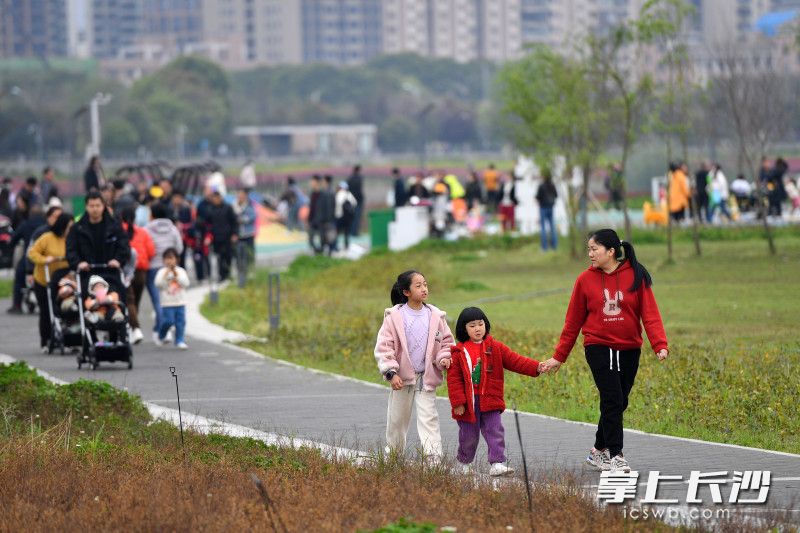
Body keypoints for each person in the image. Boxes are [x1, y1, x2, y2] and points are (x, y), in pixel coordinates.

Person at [540, 229, 669, 473]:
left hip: (630, 348)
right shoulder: (584, 280)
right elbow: (572, 323)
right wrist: (559, 356)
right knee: (612, 399)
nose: (589, 254)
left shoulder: (636, 275)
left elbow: (650, 314)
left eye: (594, 249)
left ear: (611, 251)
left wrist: (659, 344)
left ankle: (597, 451)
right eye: (588, 249)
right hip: (598, 346)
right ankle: (615, 455)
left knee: (620, 402)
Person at [447, 306, 541, 476]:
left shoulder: (495, 347)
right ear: (464, 329)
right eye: (472, 325)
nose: (477, 328)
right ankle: (464, 464)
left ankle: (497, 463)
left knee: (495, 430)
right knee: (469, 436)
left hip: (490, 399)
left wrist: (537, 367)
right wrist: (458, 403)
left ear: (486, 325)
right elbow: (453, 380)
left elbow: (516, 360)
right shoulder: (459, 352)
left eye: (480, 324)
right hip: (468, 403)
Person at [373, 270, 454, 459]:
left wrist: (444, 357)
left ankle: (434, 459)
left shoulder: (435, 315)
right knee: (397, 421)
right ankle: (393, 456)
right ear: (406, 292)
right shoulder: (394, 316)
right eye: (418, 286)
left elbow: (447, 342)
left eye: (425, 284)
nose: (424, 289)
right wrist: (391, 373)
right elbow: (385, 346)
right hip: (401, 379)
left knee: (429, 419)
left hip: (426, 377)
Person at [27, 212, 73, 352]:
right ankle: (45, 340)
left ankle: (70, 337)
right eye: (69, 227)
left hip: (65, 279)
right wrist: (45, 260)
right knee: (46, 310)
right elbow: (32, 252)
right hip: (44, 279)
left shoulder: (72, 239)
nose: (70, 230)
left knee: (67, 307)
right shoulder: (47, 238)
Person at [66, 190, 130, 274]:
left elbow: (124, 245)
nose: (95, 209)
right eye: (91, 206)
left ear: (103, 206)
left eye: (98, 205)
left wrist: (118, 260)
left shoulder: (115, 226)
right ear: (86, 206)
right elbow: (71, 250)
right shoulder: (77, 228)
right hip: (86, 273)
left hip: (111, 272)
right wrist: (78, 263)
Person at [145, 202, 183, 342]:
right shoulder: (173, 229)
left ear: (153, 214)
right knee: (170, 299)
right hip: (171, 270)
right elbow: (179, 247)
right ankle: (161, 329)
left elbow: (145, 249)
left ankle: (163, 329)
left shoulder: (147, 229)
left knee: (158, 301)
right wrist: (171, 260)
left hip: (153, 268)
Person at [120, 207, 155, 344]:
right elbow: (151, 251)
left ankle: (133, 328)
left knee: (128, 302)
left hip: (124, 272)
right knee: (135, 302)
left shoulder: (118, 232)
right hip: (140, 272)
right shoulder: (143, 232)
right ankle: (133, 328)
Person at [6, 204, 45, 314]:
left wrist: (10, 246)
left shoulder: (25, 224)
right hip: (45, 259)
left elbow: (13, 239)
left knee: (19, 277)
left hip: (29, 258)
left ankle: (17, 305)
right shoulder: (46, 224)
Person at [154, 248, 190, 350]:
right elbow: (158, 284)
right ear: (163, 260)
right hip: (167, 302)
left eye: (171, 258)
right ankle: (161, 334)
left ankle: (179, 340)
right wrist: (166, 275)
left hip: (180, 302)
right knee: (168, 321)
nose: (169, 261)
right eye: (166, 258)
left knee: (181, 322)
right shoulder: (161, 272)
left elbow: (186, 283)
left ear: (176, 259)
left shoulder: (181, 271)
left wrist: (176, 275)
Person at [206, 189, 238, 281]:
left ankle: (228, 274)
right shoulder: (210, 209)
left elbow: (234, 222)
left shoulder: (228, 208)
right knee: (219, 257)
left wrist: (234, 234)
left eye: (217, 198)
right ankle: (221, 275)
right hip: (216, 238)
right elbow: (208, 224)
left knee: (228, 256)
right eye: (214, 198)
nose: (216, 200)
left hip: (227, 237)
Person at [234, 188, 256, 271]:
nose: (240, 196)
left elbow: (252, 216)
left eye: (242, 195)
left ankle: (251, 271)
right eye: (239, 195)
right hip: (238, 234)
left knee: (249, 253)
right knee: (238, 255)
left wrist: (242, 219)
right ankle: (240, 272)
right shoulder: (234, 205)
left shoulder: (249, 205)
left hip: (248, 234)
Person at [535, 170, 558, 251]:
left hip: (543, 207)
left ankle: (544, 247)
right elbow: (556, 195)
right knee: (552, 227)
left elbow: (537, 197)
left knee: (543, 228)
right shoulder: (552, 185)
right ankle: (554, 246)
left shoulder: (541, 186)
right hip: (551, 207)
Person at [334, 181, 357, 252]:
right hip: (347, 217)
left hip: (339, 216)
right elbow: (355, 203)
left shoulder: (338, 194)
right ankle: (346, 245)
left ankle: (335, 246)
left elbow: (336, 205)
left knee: (337, 232)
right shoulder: (349, 194)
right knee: (346, 232)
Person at [307, 175, 322, 255]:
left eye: (312, 181)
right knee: (311, 240)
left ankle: (320, 254)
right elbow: (312, 208)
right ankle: (318, 253)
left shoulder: (322, 194)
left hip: (320, 220)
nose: (311, 183)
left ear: (316, 182)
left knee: (323, 240)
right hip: (313, 221)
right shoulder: (313, 194)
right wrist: (309, 219)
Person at [347, 165, 364, 236]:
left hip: (351, 200)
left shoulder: (349, 178)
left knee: (351, 217)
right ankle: (355, 232)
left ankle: (351, 231)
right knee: (357, 217)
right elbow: (359, 191)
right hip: (358, 200)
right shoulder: (359, 179)